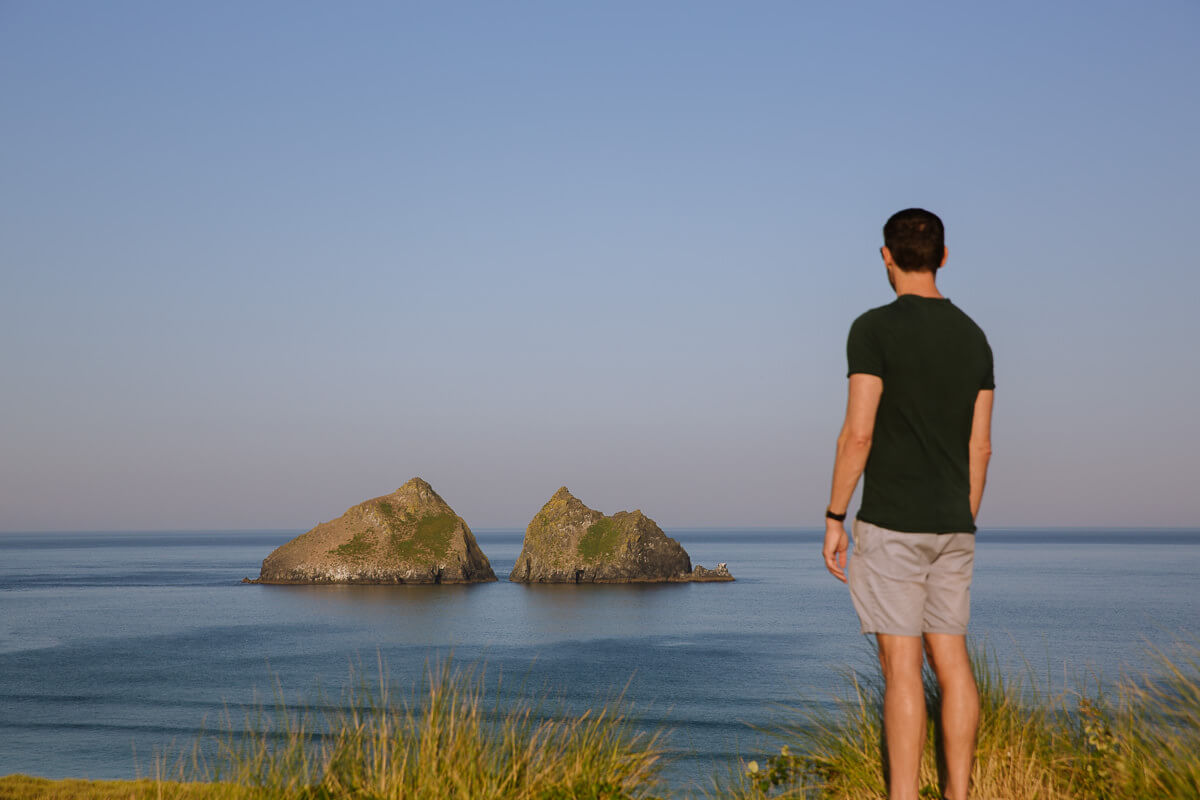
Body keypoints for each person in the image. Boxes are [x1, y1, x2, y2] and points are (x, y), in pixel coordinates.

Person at [822, 208, 994, 800]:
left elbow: (858, 434)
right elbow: (981, 446)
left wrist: (835, 517)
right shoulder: (974, 337)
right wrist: (961, 513)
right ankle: (959, 794)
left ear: (886, 257)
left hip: (892, 523)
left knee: (902, 670)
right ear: (944, 256)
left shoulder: (873, 329)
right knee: (953, 662)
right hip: (954, 524)